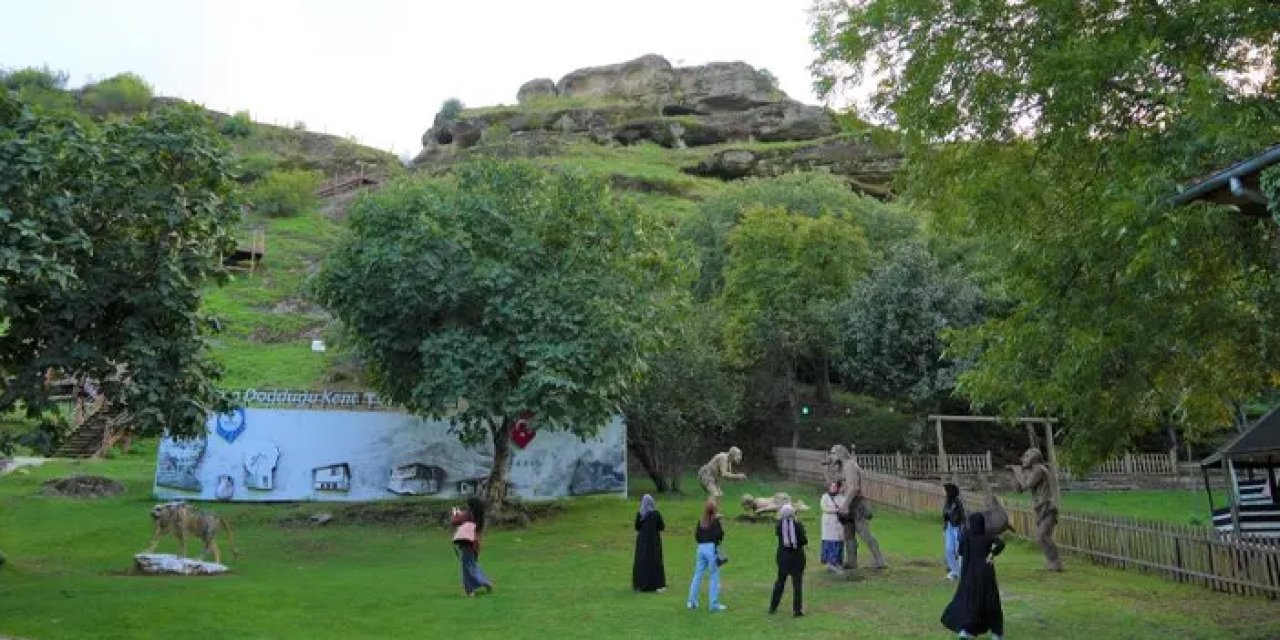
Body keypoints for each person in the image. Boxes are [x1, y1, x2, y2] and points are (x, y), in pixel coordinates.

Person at [940, 512, 1006, 639]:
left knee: (969, 602)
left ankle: (966, 630)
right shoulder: (987, 536)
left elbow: (960, 552)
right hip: (986, 574)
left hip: (969, 574)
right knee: (990, 601)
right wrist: (992, 553)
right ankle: (996, 633)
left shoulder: (967, 536)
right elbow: (1000, 543)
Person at [830, 444, 886, 569]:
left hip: (857, 503)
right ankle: (851, 562)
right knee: (848, 533)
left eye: (833, 453)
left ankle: (879, 560)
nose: (831, 456)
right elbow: (835, 481)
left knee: (864, 533)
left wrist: (845, 505)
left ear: (840, 453)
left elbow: (854, 487)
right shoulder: (842, 467)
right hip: (848, 502)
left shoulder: (850, 465)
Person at [1012, 447, 1063, 571]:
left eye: (1027, 456)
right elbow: (1019, 490)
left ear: (1035, 458)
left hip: (1047, 506)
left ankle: (1056, 562)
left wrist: (1018, 472)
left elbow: (1026, 485)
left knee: (1043, 535)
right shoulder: (1032, 471)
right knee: (1041, 537)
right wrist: (1015, 476)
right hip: (1039, 507)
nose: (1023, 459)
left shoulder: (1039, 469)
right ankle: (1052, 562)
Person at [687, 499, 726, 612]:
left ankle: (691, 602)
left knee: (697, 575)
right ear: (714, 510)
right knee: (714, 576)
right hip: (710, 548)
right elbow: (719, 536)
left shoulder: (701, 521)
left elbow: (697, 536)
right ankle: (713, 604)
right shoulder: (715, 522)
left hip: (700, 548)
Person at [769, 503, 808, 617]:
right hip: (797, 558)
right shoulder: (798, 525)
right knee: (797, 584)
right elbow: (804, 540)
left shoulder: (779, 525)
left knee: (780, 582)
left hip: (783, 558)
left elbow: (778, 535)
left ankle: (773, 606)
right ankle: (797, 610)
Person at [451, 498, 493, 597]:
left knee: (466, 568)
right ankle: (485, 583)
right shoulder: (480, 516)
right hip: (476, 543)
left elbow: (455, 521)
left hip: (466, 543)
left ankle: (471, 590)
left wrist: (455, 513)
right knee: (472, 564)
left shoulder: (467, 514)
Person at [633, 494, 667, 593]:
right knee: (655, 561)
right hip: (654, 541)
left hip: (642, 542)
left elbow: (637, 527)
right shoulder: (656, 514)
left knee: (642, 561)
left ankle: (640, 584)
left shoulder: (640, 514)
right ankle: (657, 585)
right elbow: (662, 526)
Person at [819, 481, 845, 571]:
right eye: (832, 487)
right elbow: (824, 508)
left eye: (835, 487)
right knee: (830, 542)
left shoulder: (840, 497)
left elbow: (843, 507)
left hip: (839, 523)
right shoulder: (824, 497)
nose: (834, 488)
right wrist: (836, 510)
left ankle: (837, 562)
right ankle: (830, 562)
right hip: (828, 523)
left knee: (839, 542)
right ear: (829, 487)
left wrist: (838, 509)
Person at [943, 483, 966, 580]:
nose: (946, 493)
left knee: (958, 550)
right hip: (949, 528)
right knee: (948, 549)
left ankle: (962, 572)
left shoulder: (958, 502)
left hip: (957, 528)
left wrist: (961, 528)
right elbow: (945, 515)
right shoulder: (947, 502)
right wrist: (944, 528)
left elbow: (962, 516)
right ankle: (954, 571)